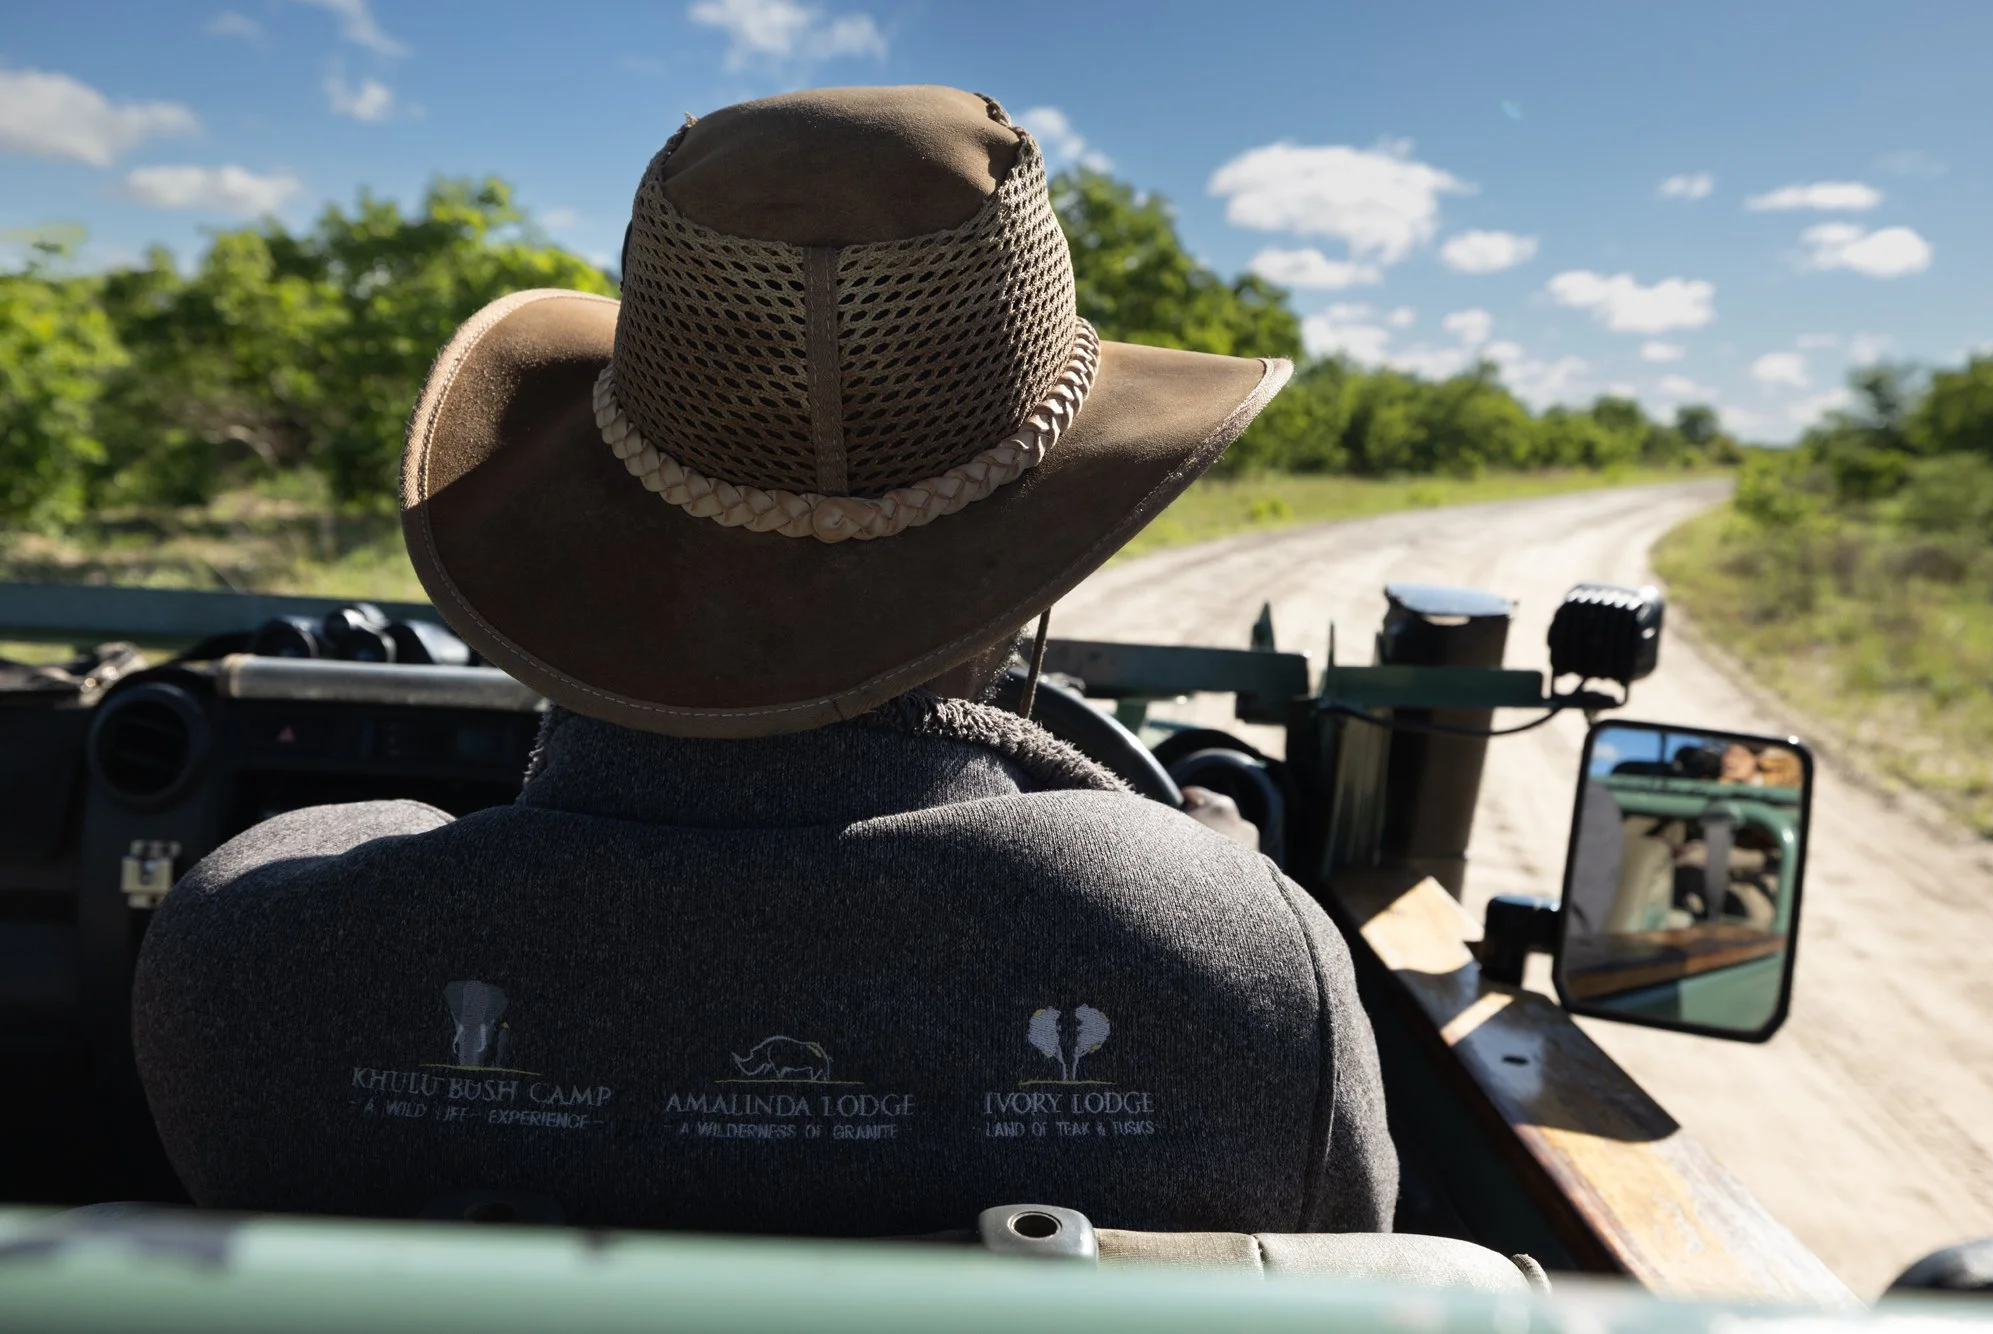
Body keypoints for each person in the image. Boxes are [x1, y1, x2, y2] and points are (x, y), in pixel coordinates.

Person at [131, 86, 1397, 1237]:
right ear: (1043, 562)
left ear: (596, 517)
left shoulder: (246, 956)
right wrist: (1182, 861)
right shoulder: (1247, 971)